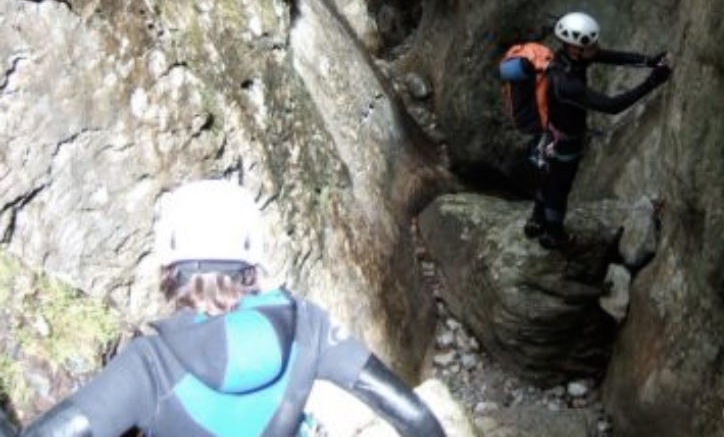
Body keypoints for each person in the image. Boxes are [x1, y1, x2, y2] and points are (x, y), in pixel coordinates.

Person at [17, 179, 447, 437]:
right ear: (251, 255)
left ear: (169, 264)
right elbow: (414, 416)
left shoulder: (149, 367)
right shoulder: (309, 326)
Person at [524, 11, 672, 250]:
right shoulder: (567, 83)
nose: (597, 47)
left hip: (550, 136)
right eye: (591, 44)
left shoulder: (565, 59)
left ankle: (536, 220)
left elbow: (610, 56)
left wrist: (649, 61)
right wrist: (651, 83)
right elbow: (612, 106)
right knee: (559, 187)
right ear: (575, 48)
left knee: (548, 178)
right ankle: (552, 234)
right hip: (564, 143)